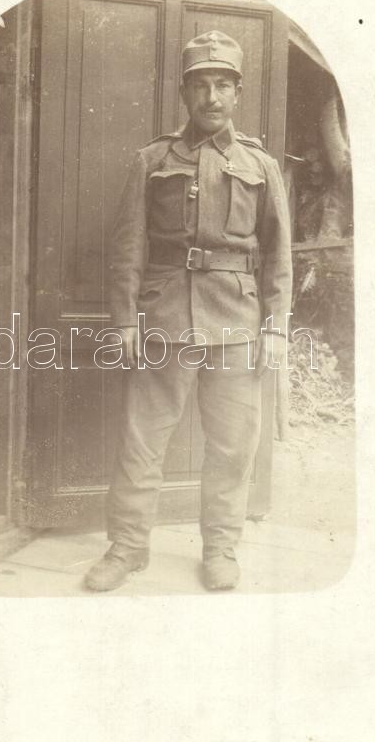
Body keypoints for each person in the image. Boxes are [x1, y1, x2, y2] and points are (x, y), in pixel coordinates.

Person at [85, 30, 292, 591]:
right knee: (141, 441)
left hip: (237, 322)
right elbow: (128, 246)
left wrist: (275, 328)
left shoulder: (259, 164)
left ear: (237, 91)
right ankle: (127, 549)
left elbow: (278, 254)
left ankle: (221, 549)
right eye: (201, 85)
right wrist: (126, 320)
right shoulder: (152, 159)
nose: (212, 97)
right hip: (165, 317)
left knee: (231, 446)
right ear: (184, 92)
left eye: (223, 84)